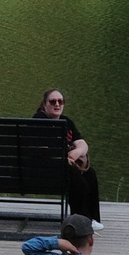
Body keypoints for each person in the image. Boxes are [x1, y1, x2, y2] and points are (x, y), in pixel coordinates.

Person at [34, 88, 102, 228]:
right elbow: (42, 151)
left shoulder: (66, 121)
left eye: (61, 101)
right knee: (77, 180)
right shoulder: (39, 122)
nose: (57, 104)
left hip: (63, 166)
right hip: (45, 171)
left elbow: (82, 143)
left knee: (90, 174)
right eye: (53, 101)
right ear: (44, 104)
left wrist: (76, 153)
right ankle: (80, 221)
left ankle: (92, 219)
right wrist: (64, 159)